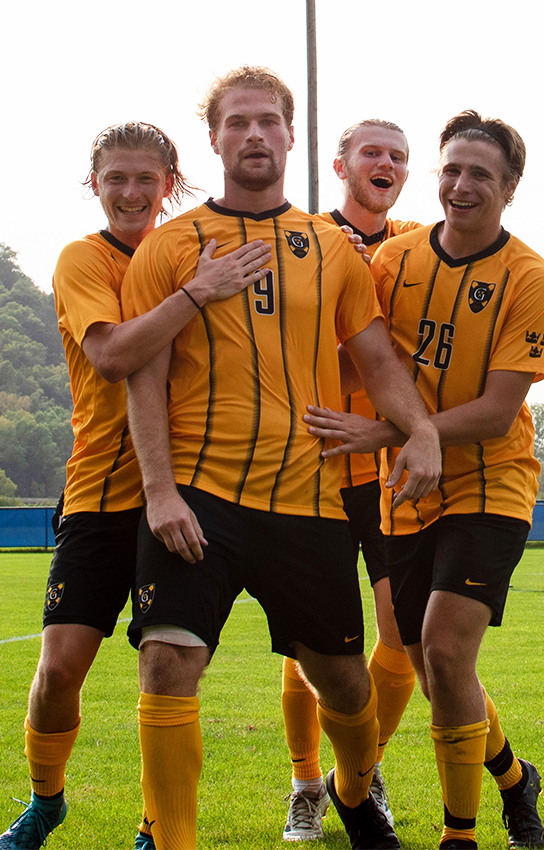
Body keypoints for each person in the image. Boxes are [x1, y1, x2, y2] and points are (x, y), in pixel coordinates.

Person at [120, 67, 442, 850]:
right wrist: (159, 492)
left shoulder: (331, 249)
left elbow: (374, 358)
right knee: (166, 663)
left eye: (269, 121)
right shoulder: (169, 246)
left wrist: (421, 429)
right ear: (215, 139)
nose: (255, 135)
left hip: (307, 501)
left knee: (342, 682)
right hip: (198, 498)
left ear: (292, 136)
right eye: (238, 123)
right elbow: (143, 378)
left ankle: (355, 794)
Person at [0, 122, 273, 850]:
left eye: (145, 179)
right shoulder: (83, 258)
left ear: (170, 183)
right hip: (96, 493)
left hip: (179, 495)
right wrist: (197, 294)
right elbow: (113, 355)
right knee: (58, 672)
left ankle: (158, 824)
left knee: (170, 669)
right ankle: (45, 802)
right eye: (115, 177)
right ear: (94, 183)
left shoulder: (190, 249)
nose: (130, 191)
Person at [304, 110, 544, 849]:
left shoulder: (533, 278)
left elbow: (498, 408)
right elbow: (361, 360)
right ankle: (515, 780)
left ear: (510, 187)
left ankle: (459, 835)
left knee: (446, 653)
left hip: (493, 480)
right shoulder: (394, 262)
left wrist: (392, 433)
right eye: (451, 168)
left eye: (480, 172)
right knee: (428, 665)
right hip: (407, 490)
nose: (461, 183)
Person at [278, 118, 425, 842]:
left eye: (398, 155)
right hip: (326, 460)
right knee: (312, 636)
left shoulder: (418, 244)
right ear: (340, 163)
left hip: (391, 462)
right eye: (372, 151)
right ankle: (307, 782)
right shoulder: (306, 238)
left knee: (401, 632)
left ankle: (356, 776)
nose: (386, 163)